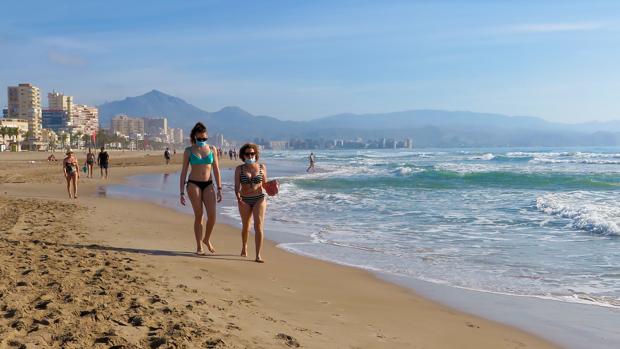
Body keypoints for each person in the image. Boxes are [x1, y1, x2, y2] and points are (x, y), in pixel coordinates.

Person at [179, 122, 222, 255]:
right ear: (194, 137)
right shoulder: (189, 151)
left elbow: (216, 169)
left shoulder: (212, 149)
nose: (202, 141)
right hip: (193, 184)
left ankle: (206, 239)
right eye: (199, 139)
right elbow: (184, 171)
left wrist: (219, 188)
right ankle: (199, 246)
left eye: (204, 139)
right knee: (199, 215)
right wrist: (181, 192)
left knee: (212, 216)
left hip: (209, 184)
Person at [234, 143, 268, 263]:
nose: (250, 156)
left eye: (252, 153)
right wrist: (238, 198)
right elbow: (237, 187)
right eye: (247, 154)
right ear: (243, 155)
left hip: (259, 198)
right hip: (244, 200)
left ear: (256, 154)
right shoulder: (239, 169)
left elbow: (265, 184)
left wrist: (273, 188)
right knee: (246, 226)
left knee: (258, 226)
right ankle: (244, 246)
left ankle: (258, 255)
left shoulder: (262, 167)